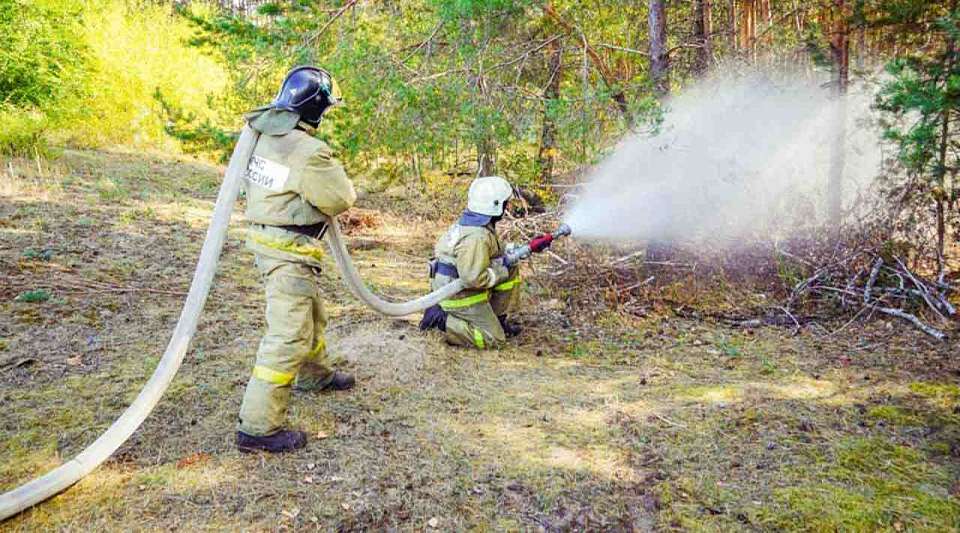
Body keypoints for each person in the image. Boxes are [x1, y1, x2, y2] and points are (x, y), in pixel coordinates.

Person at [237, 66, 357, 453]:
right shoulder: (306, 150)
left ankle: (315, 374)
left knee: (311, 314)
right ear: (317, 108)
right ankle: (258, 427)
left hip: (270, 242)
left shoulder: (265, 135)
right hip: (288, 249)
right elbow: (340, 198)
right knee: (287, 334)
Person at [419, 176, 525, 349]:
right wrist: (500, 271)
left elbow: (489, 252)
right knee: (494, 339)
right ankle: (440, 320)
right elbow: (473, 279)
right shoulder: (477, 236)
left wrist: (513, 251)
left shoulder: (474, 226)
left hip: (453, 285)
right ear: (496, 206)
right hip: (457, 294)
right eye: (505, 204)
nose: (507, 208)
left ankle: (498, 320)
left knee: (510, 266)